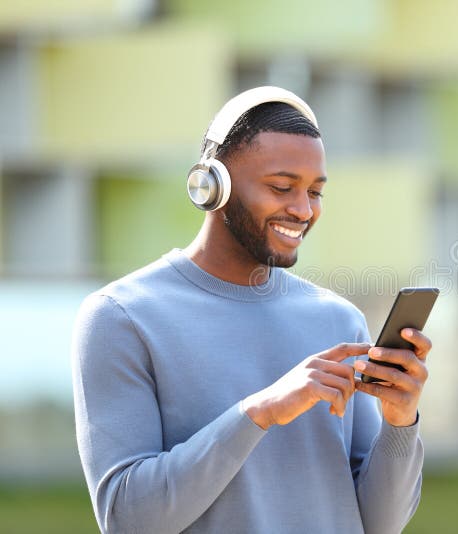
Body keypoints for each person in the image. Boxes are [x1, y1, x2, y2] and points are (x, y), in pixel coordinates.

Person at [71, 87, 430, 533]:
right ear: (211, 186)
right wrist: (260, 412)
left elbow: (379, 525)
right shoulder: (121, 317)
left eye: (315, 192)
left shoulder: (338, 321)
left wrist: (400, 423)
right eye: (282, 187)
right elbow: (127, 519)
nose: (302, 210)